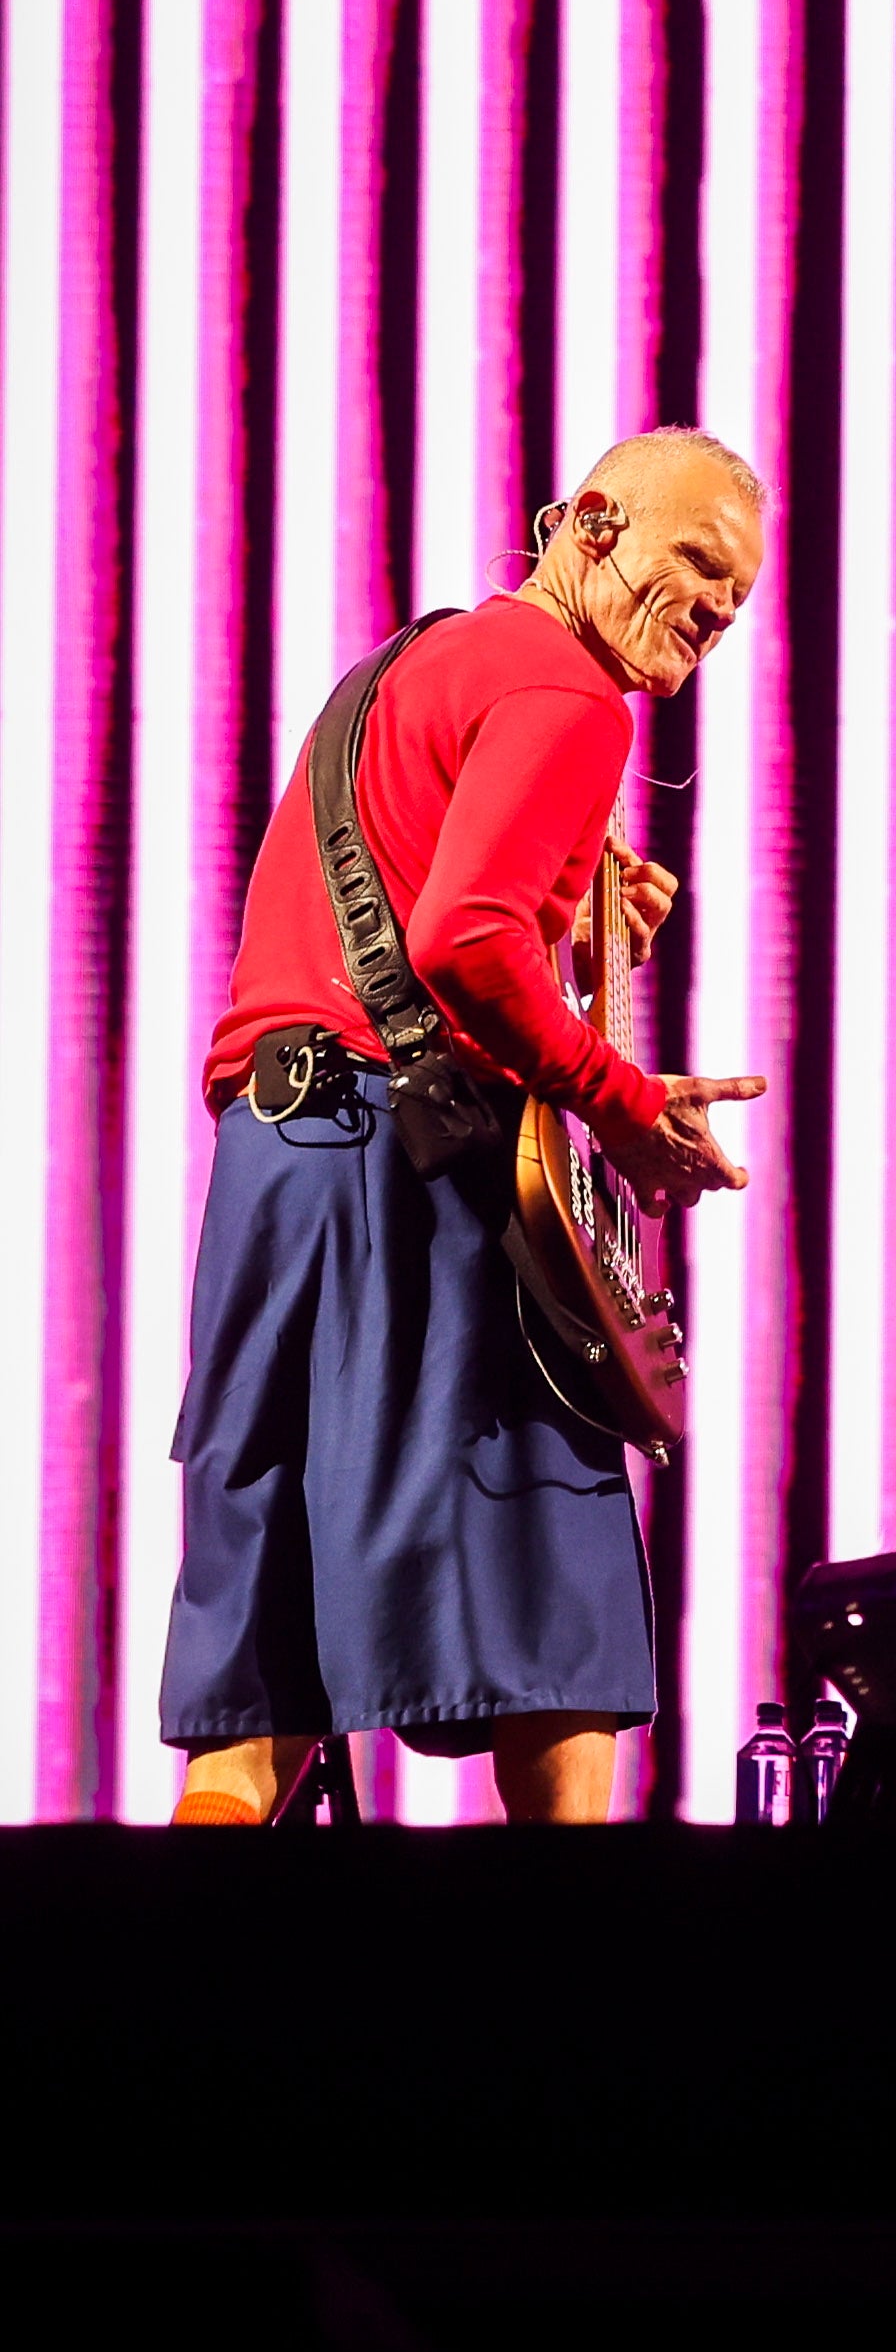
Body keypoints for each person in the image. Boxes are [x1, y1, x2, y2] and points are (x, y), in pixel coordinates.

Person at [164, 428, 775, 1825]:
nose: (718, 610)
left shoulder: (407, 667)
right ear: (594, 521)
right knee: (560, 1606)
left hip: (272, 1178)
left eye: (735, 599)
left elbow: (395, 910)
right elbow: (464, 944)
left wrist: (573, 922)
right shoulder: (573, 695)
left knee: (259, 1698)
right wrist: (624, 1107)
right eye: (697, 567)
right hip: (406, 1176)